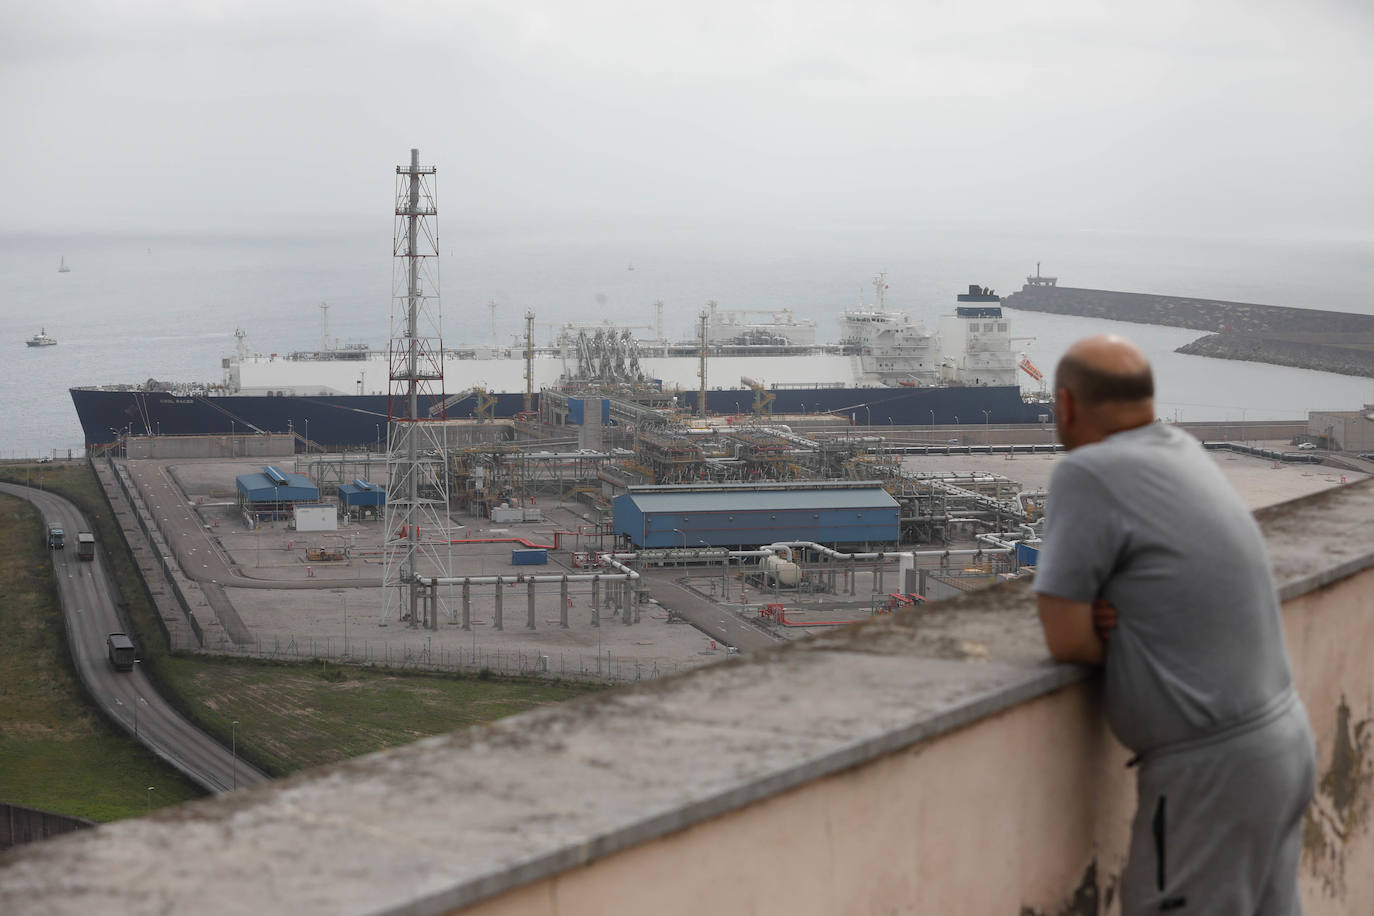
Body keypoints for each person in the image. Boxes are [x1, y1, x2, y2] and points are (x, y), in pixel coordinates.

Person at [1032, 335, 1316, 915]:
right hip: (1282, 741)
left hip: (1210, 773)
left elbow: (1064, 637)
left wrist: (1114, 624)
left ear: (1064, 404)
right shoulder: (1183, 449)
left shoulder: (1086, 471)